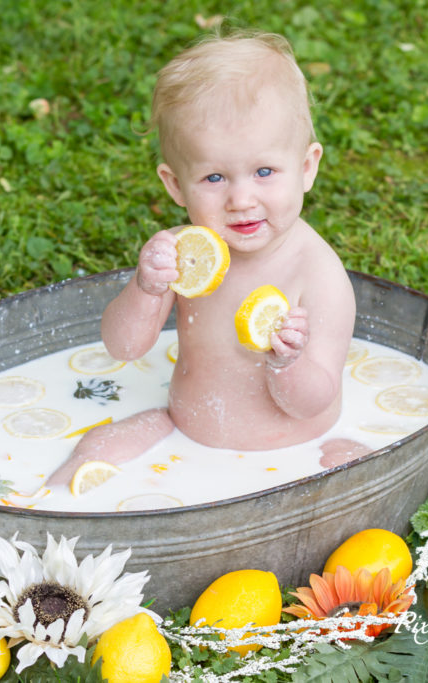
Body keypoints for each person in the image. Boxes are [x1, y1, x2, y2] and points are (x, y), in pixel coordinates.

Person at [49, 31, 362, 485]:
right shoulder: (186, 254)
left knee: (340, 470)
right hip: (187, 430)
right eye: (214, 177)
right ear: (175, 185)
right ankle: (57, 499)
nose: (241, 198)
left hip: (293, 450)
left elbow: (313, 400)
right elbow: (123, 347)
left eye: (264, 172)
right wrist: (145, 289)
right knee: (100, 445)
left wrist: (287, 363)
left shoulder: (317, 274)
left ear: (307, 167)